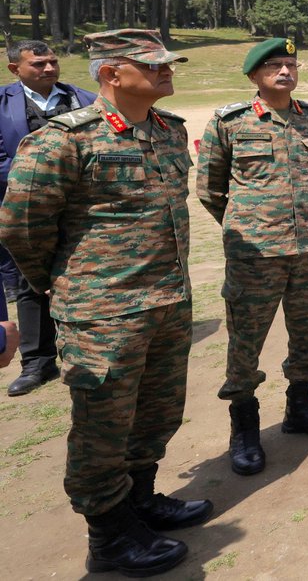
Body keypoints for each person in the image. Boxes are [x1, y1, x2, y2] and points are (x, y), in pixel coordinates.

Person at [0, 29, 210, 577]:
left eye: (168, 63)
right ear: (111, 75)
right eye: (154, 65)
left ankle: (140, 501)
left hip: (167, 300)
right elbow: (22, 227)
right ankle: (109, 536)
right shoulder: (62, 141)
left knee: (156, 414)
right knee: (102, 428)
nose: (167, 71)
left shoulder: (168, 132)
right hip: (102, 314)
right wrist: (65, 284)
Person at [197, 38, 308, 478]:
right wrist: (251, 223)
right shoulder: (230, 123)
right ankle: (244, 426)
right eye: (275, 65)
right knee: (246, 342)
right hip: (255, 254)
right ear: (254, 75)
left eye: (291, 64)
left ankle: (301, 407)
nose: (285, 71)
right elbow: (209, 189)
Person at [0, 40, 96, 396]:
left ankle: (89, 352)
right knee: (30, 284)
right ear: (16, 69)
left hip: (80, 208)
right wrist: (43, 173)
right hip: (27, 208)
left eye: (53, 62)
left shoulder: (83, 99)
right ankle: (37, 362)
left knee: (87, 277)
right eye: (38, 64)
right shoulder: (2, 103)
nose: (49, 69)